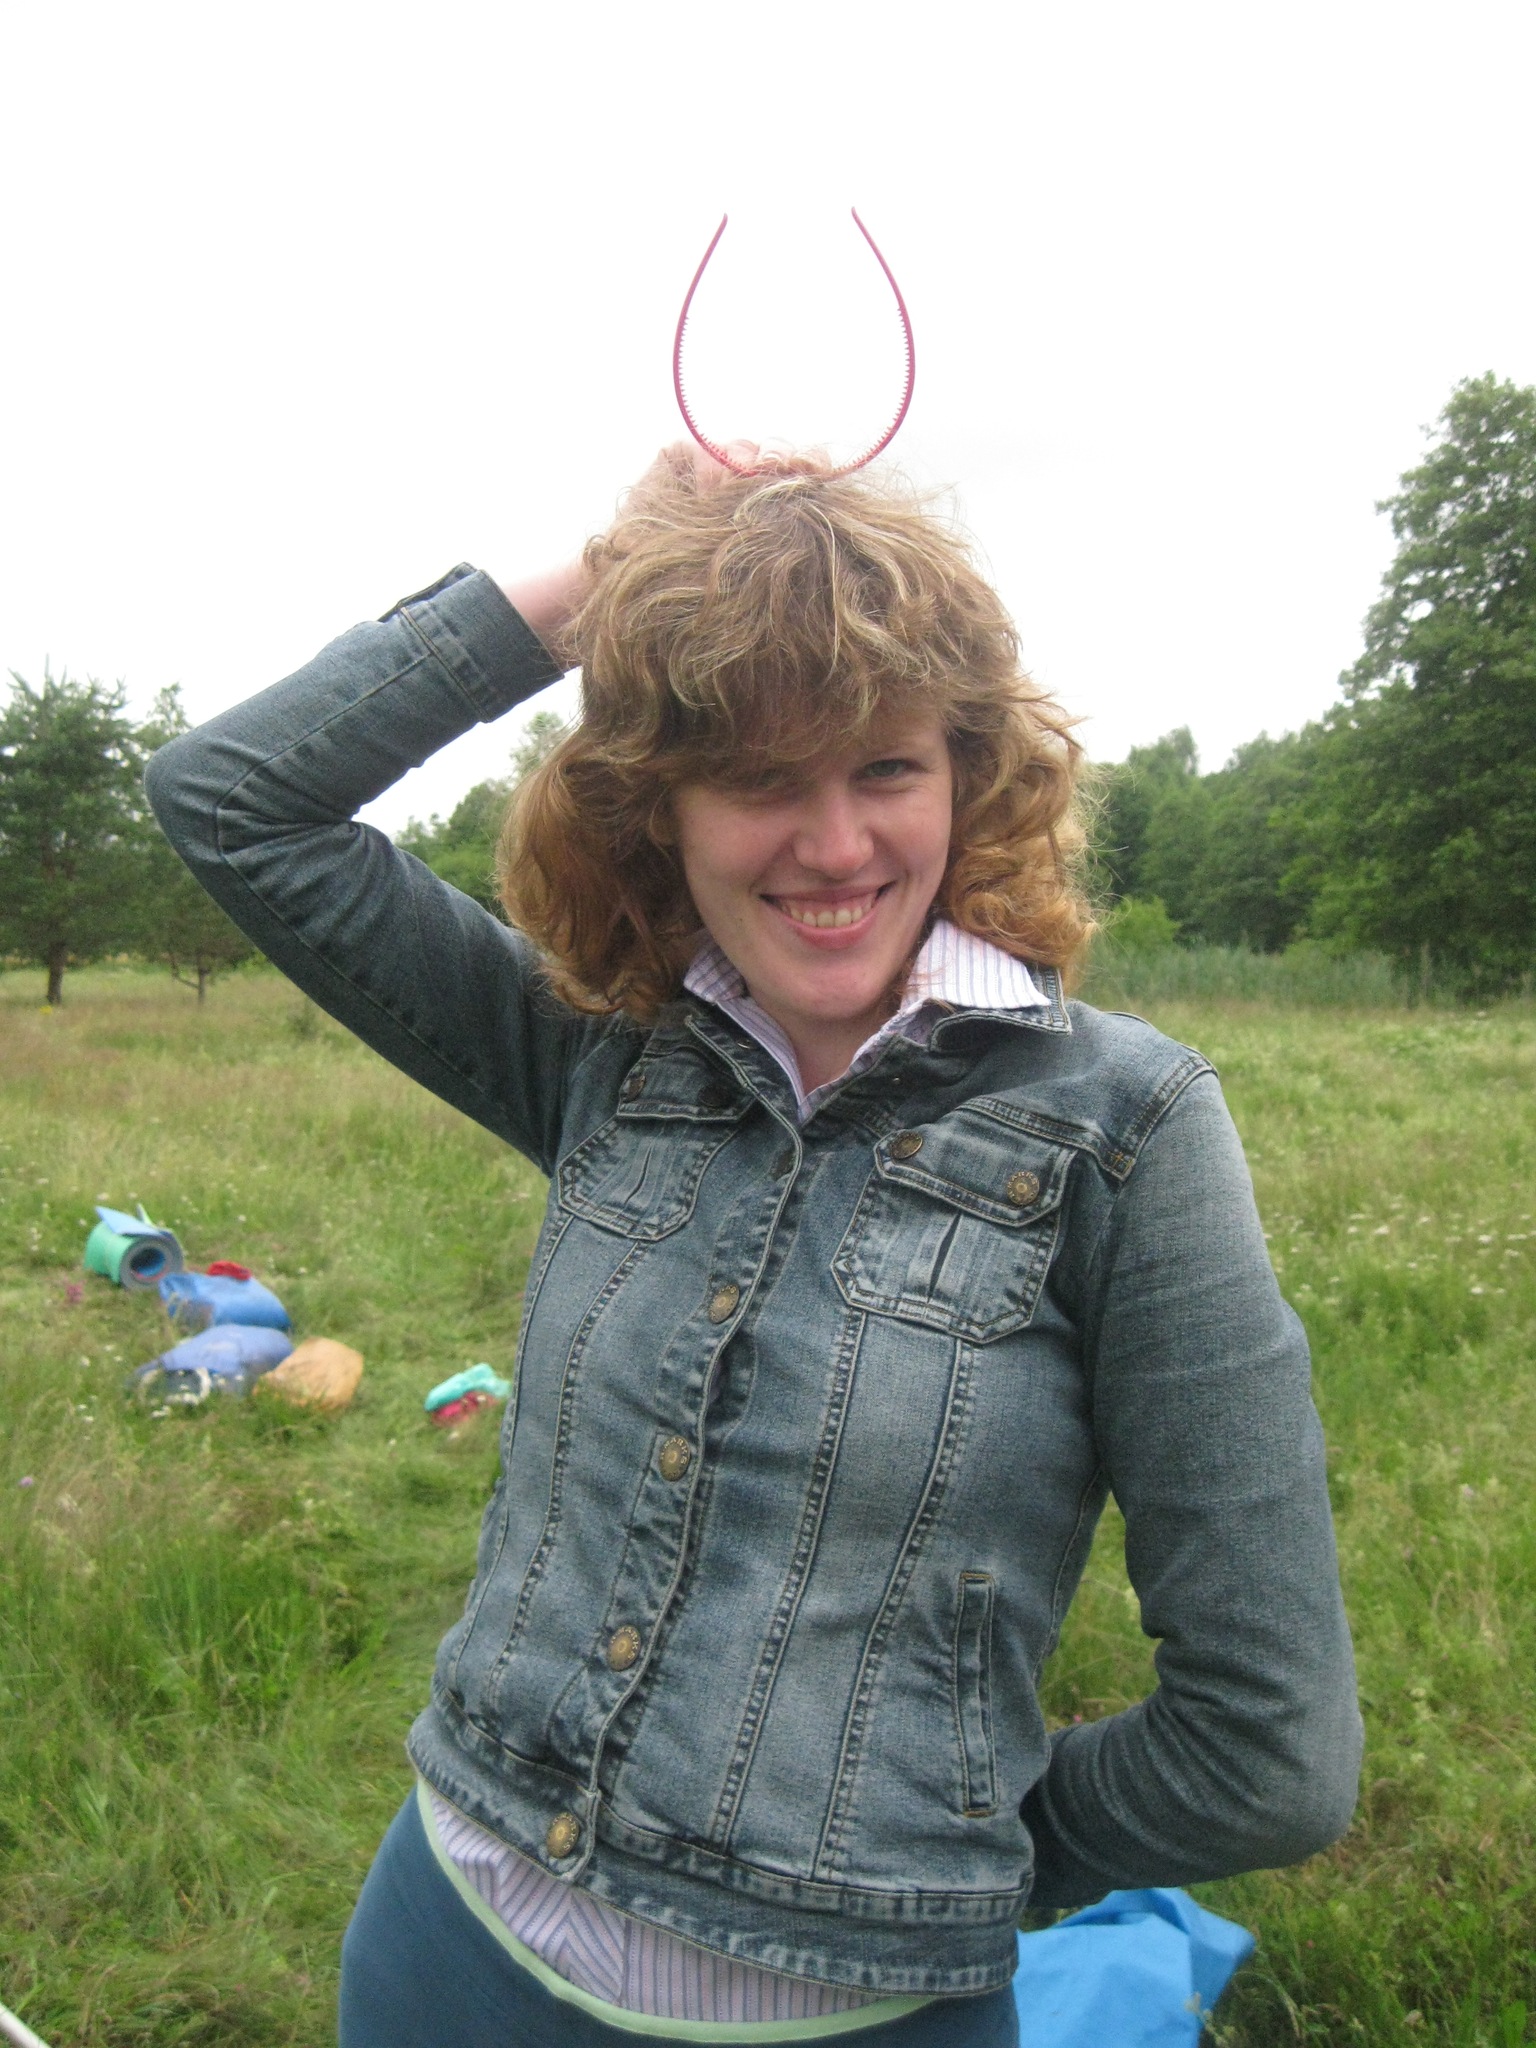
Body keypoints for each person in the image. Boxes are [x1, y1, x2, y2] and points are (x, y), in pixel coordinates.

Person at [145, 445, 1362, 2048]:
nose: (836, 845)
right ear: (659, 809)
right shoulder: (599, 1055)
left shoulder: (1125, 1130)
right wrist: (606, 587)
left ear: (968, 776)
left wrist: (929, 1858)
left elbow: (1272, 1752)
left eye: (887, 767)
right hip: (444, 1954)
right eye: (759, 777)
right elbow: (232, 801)